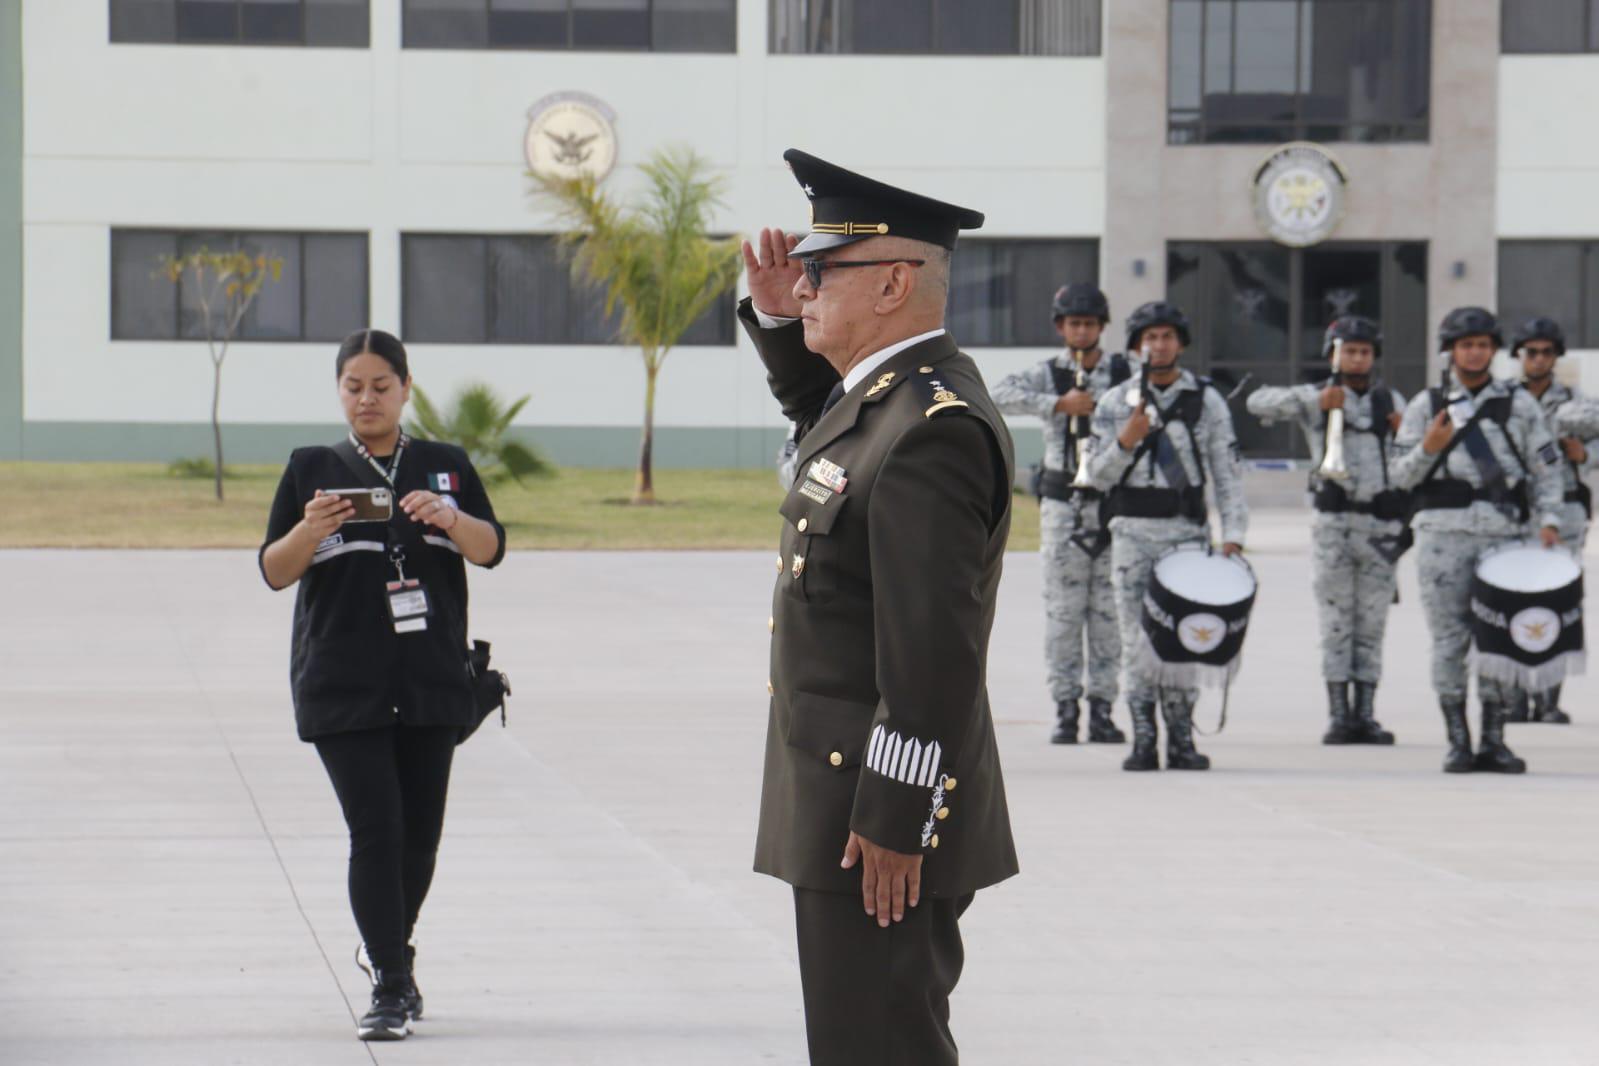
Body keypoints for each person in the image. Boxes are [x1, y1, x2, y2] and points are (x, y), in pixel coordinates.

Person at [739, 149, 1018, 1066]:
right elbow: (826, 430)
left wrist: (897, 817)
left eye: (823, 271)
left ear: (894, 283)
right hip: (840, 798)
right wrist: (784, 321)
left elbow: (933, 653)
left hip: (875, 818)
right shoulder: (881, 401)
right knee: (862, 1037)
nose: (803, 281)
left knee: (881, 1043)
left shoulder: (931, 431)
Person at [258, 329, 506, 1041]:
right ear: (339, 391)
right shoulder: (313, 468)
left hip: (429, 681)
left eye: (380, 386)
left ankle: (388, 947)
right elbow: (275, 570)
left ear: (405, 389)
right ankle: (391, 988)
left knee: (419, 838)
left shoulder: (443, 465)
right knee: (376, 830)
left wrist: (453, 520)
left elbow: (491, 551)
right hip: (344, 684)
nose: (366, 398)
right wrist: (310, 530)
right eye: (353, 386)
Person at [1389, 307, 1563, 774]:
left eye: (1483, 344)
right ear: (1450, 350)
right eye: (1465, 344)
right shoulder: (1427, 406)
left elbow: (1548, 468)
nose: (1474, 352)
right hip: (1441, 537)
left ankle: (1494, 739)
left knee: (1497, 641)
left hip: (1504, 538)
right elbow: (1400, 476)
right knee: (1449, 642)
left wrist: (1549, 521)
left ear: (1494, 350)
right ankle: (1457, 741)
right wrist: (1429, 445)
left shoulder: (1518, 404)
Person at [1085, 301, 1248, 772]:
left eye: (1167, 337)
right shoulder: (1117, 402)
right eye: (1149, 338)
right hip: (1133, 535)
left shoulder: (1206, 400)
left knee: (1183, 637)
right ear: (1136, 346)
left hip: (1187, 536)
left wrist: (1232, 533)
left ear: (1181, 343)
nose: (1159, 345)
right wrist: (1126, 440)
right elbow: (1095, 475)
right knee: (1137, 638)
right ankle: (1142, 738)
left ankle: (1180, 739)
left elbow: (1227, 471)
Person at [1246, 315, 1405, 744]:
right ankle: (1338, 714)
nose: (1356, 359)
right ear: (1333, 355)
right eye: (1347, 351)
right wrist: (1316, 402)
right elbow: (1257, 402)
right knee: (1336, 622)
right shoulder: (1318, 395)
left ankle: (1366, 714)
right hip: (1333, 524)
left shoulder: (1391, 400)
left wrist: (1404, 433)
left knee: (1371, 623)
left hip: (1378, 526)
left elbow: (1412, 455)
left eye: (1363, 351)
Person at [991, 283, 1129, 745]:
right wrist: (1055, 403)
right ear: (1060, 328)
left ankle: (1104, 709)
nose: (1083, 331)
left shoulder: (1124, 373)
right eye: (1075, 324)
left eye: (1090, 324)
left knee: (1108, 615)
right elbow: (998, 394)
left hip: (1110, 505)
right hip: (1062, 505)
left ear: (1102, 328)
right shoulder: (1048, 374)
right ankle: (1066, 708)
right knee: (1064, 614)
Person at [1505, 316, 1593, 723]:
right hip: (1515, 514)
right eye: (1530, 352)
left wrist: (1586, 456)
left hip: (1568, 516)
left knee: (1557, 602)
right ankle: (1516, 697)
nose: (1538, 359)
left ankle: (1549, 699)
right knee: (1512, 601)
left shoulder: (1578, 405)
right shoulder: (1502, 400)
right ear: (1518, 356)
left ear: (1556, 356)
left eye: (1546, 352)